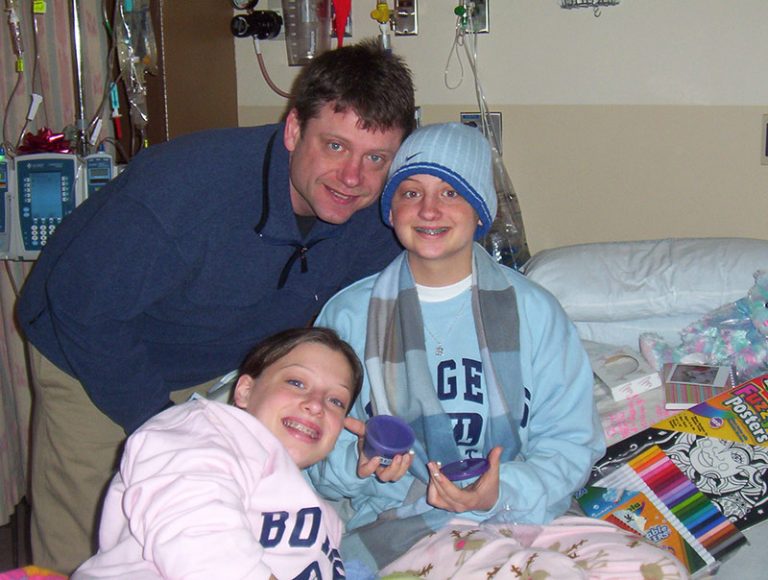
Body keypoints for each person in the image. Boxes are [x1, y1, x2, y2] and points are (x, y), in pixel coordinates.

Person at [16, 38, 414, 574]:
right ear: (294, 129)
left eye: (376, 159)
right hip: (90, 350)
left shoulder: (377, 215)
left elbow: (418, 294)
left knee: (215, 526)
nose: (353, 179)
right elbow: (83, 307)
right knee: (93, 547)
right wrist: (169, 433)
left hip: (224, 366)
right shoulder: (185, 188)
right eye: (336, 147)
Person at [307, 123, 690, 578]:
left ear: (480, 210)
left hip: (524, 509)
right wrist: (361, 461)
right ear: (391, 209)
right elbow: (318, 457)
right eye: (411, 192)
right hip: (406, 525)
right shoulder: (349, 315)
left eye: (451, 193)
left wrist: (500, 490)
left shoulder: (535, 311)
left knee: (658, 568)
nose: (429, 210)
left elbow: (570, 442)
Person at [72, 327, 363, 579]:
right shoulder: (206, 430)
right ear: (245, 391)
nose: (316, 404)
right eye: (296, 382)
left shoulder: (324, 519)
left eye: (336, 400)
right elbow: (196, 536)